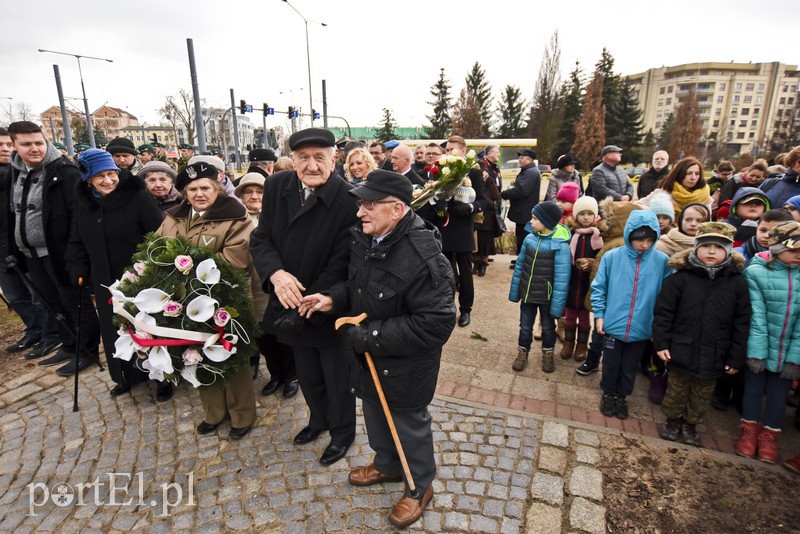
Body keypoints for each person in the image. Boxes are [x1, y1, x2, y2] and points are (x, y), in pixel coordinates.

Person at [299, 170, 456, 528]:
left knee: (407, 422)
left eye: (369, 204)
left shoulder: (423, 256)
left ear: (397, 209)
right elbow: (358, 285)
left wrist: (369, 337)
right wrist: (332, 298)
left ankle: (419, 485)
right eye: (361, 203)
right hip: (369, 357)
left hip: (404, 363)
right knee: (373, 412)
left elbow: (436, 322)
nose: (360, 212)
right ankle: (386, 465)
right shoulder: (367, 237)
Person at [249, 128, 359, 466]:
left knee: (337, 376)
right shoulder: (277, 186)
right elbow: (261, 238)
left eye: (319, 158)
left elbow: (344, 261)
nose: (312, 165)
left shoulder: (348, 198)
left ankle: (342, 433)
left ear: (334, 159)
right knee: (307, 373)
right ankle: (317, 420)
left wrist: (315, 298)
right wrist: (276, 274)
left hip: (325, 303)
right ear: (293, 160)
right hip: (287, 297)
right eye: (304, 158)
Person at [157, 161, 256, 438]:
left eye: (205, 187)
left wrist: (188, 266)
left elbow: (236, 259)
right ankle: (214, 413)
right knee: (196, 356)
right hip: (183, 301)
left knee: (229, 355)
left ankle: (242, 415)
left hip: (225, 299)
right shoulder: (174, 216)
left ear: (217, 187)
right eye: (192, 189)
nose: (199, 193)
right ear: (185, 192)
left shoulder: (237, 216)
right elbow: (157, 247)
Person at [66, 149, 166, 398]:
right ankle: (126, 375)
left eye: (112, 173)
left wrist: (152, 268)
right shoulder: (83, 202)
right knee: (114, 329)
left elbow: (158, 236)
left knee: (148, 327)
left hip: (139, 277)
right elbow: (76, 239)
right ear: (88, 178)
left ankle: (163, 378)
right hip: (103, 279)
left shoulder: (138, 196)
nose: (109, 180)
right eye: (100, 176)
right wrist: (78, 267)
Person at [6, 121, 102, 376]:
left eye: (39, 142)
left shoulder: (64, 171)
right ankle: (69, 344)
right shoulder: (17, 172)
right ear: (15, 146)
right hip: (32, 253)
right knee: (53, 303)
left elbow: (77, 217)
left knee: (75, 302)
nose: (35, 148)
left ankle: (87, 349)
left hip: (60, 252)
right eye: (26, 144)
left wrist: (75, 254)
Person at [653, 222, 750, 447]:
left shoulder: (736, 283)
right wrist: (661, 343)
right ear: (696, 248)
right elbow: (664, 313)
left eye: (719, 247)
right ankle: (672, 420)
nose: (712, 251)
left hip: (716, 352)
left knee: (702, 393)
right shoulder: (680, 279)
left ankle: (691, 424)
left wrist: (735, 357)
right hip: (681, 348)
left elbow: (741, 321)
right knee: (676, 388)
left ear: (728, 251)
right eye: (706, 246)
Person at [591, 210, 671, 419]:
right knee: (610, 364)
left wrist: (657, 327)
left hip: (642, 328)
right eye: (639, 239)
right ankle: (608, 393)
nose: (644, 244)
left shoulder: (662, 261)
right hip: (613, 325)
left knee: (629, 366)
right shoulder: (612, 257)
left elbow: (666, 298)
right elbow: (599, 288)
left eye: (649, 239)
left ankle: (622, 396)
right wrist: (600, 315)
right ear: (629, 236)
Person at [735, 221, 800, 464]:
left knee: (778, 396)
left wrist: (795, 358)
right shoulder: (756, 272)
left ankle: (770, 435)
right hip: (759, 348)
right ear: (776, 248)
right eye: (794, 251)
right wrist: (757, 353)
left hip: (788, 351)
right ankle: (749, 432)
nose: (798, 256)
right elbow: (757, 317)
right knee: (752, 391)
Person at [234, 172, 300, 399]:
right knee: (264, 338)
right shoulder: (236, 219)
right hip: (250, 288)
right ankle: (276, 375)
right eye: (248, 192)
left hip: (276, 286)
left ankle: (292, 376)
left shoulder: (278, 216)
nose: (254, 196)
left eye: (259, 191)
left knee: (284, 336)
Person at [417, 135, 486, 328]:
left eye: (452, 150)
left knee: (465, 273)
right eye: (446, 150)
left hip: (463, 228)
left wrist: (470, 208)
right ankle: (445, 307)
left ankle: (465, 309)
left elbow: (483, 201)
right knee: (443, 272)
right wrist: (437, 205)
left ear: (463, 151)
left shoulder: (473, 173)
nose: (448, 153)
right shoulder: (439, 171)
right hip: (443, 227)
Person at [0, 127, 49, 356]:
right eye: (1, 146)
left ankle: (51, 332)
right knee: (15, 295)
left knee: (39, 294)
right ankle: (34, 330)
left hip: (26, 244)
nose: (5, 149)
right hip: (6, 246)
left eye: (7, 145)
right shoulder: (15, 174)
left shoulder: (19, 174)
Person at [509, 201, 570, 373]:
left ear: (547, 222)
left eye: (535, 218)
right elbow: (520, 266)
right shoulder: (529, 239)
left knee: (549, 328)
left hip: (547, 297)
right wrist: (515, 292)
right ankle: (522, 352)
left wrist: (557, 305)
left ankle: (548, 353)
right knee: (525, 326)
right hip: (528, 294)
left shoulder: (560, 244)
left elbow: (562, 278)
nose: (531, 222)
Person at [562, 196, 603, 361]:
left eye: (589, 214)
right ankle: (568, 342)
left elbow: (602, 260)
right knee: (570, 315)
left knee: (585, 317)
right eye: (582, 214)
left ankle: (582, 345)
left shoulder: (599, 236)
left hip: (588, 284)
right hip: (572, 282)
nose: (586, 217)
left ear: (595, 216)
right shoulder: (570, 234)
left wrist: (592, 264)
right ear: (576, 215)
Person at [640, 157, 712, 219]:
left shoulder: (704, 196)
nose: (693, 177)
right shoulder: (662, 194)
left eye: (697, 174)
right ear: (679, 174)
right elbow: (638, 206)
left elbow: (708, 221)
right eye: (689, 173)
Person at [501, 149, 541, 259]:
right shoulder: (528, 171)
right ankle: (521, 258)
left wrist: (505, 194)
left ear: (529, 159)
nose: (520, 159)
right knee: (520, 236)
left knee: (524, 237)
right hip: (522, 211)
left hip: (525, 211)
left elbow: (522, 190)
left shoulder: (531, 172)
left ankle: (523, 260)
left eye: (522, 157)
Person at [473, 153, 503, 276]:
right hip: (475, 219)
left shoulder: (490, 182)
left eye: (484, 171)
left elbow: (498, 202)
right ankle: (476, 263)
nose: (483, 173)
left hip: (488, 219)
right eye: (481, 171)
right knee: (475, 244)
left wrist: (485, 201)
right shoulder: (472, 182)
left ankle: (483, 265)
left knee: (485, 244)